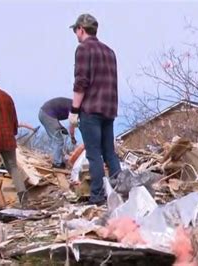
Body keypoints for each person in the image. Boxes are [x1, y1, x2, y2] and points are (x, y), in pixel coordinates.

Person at [69, 14, 121, 204]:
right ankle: (121, 192)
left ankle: (97, 196)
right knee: (110, 153)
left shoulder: (83, 49)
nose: (75, 33)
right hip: (109, 108)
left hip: (91, 109)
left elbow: (81, 81)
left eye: (76, 30)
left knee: (94, 154)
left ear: (81, 29)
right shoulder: (109, 51)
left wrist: (74, 111)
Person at [0, 69, 27, 205]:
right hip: (6, 137)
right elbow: (13, 119)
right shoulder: (6, 96)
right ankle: (23, 197)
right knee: (13, 167)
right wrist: (12, 133)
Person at [39, 97, 77, 169]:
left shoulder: (73, 104)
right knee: (58, 140)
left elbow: (55, 114)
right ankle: (57, 163)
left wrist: (61, 127)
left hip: (45, 113)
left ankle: (58, 160)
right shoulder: (74, 108)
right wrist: (72, 138)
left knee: (57, 138)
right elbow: (72, 124)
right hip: (46, 114)